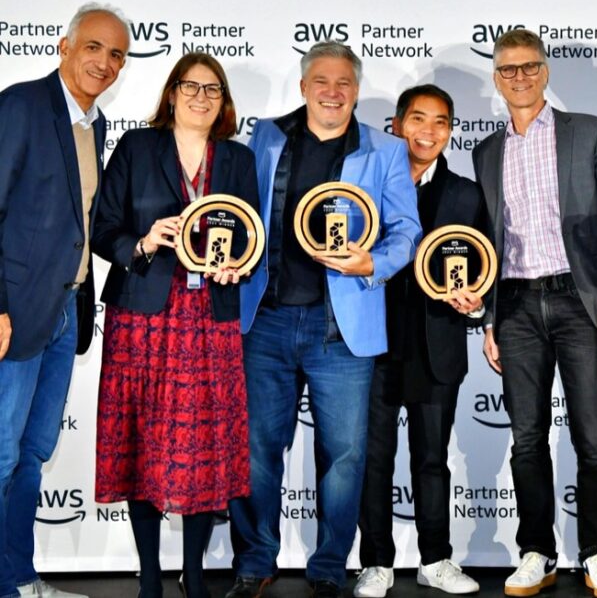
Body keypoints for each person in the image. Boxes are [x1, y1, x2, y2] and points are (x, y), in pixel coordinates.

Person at [226, 42, 421, 598]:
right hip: (265, 319)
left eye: (344, 83)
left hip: (342, 326)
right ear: (304, 86)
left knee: (345, 455)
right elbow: (241, 213)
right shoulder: (267, 136)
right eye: (322, 81)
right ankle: (255, 561)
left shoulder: (386, 149)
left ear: (356, 90)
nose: (332, 93)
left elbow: (406, 230)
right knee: (258, 448)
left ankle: (330, 566)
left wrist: (372, 263)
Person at [472, 29, 597, 598]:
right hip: (514, 305)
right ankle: (536, 551)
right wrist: (488, 319)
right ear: (497, 78)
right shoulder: (486, 152)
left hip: (579, 300)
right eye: (508, 69)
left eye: (529, 66)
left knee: (594, 436)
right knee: (526, 439)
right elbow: (487, 242)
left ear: (545, 71)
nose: (519, 77)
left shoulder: (588, 132)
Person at [92, 52, 258, 598]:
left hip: (211, 317)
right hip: (143, 314)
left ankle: (194, 574)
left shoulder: (237, 159)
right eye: (191, 86)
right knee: (140, 440)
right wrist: (142, 242)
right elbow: (103, 228)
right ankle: (149, 578)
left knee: (204, 447)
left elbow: (251, 236)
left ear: (224, 100)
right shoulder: (137, 147)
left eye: (213, 89)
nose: (201, 97)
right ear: (171, 93)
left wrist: (239, 266)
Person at [0, 3, 129, 598]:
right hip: (15, 314)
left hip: (64, 313)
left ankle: (19, 579)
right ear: (65, 46)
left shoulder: (94, 125)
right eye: (94, 47)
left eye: (117, 54)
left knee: (31, 454)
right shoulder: (22, 106)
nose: (104, 62)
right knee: (2, 456)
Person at [354, 84, 486, 598]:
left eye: (440, 122)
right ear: (396, 125)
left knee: (432, 459)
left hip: (437, 345)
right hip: (373, 343)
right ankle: (376, 562)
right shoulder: (365, 187)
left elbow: (485, 267)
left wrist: (477, 303)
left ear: (450, 131)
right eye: (418, 119)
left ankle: (436, 558)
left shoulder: (466, 194)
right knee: (374, 460)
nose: (428, 132)